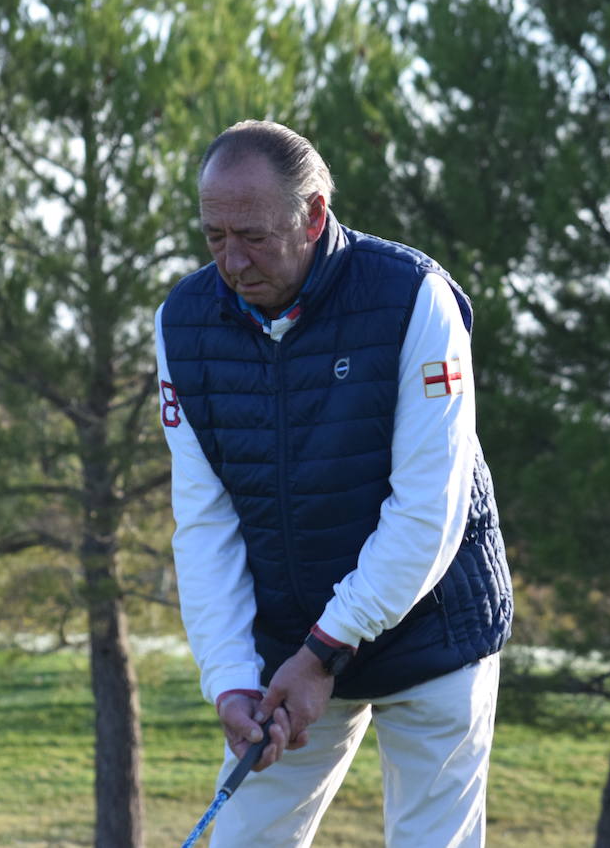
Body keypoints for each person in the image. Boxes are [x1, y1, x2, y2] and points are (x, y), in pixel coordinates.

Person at [156, 120, 513, 846]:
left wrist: (325, 652)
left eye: (252, 235)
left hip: (432, 622)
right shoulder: (182, 326)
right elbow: (205, 524)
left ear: (314, 214)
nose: (232, 260)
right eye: (214, 236)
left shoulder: (414, 299)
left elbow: (426, 514)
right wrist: (230, 679)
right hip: (289, 645)